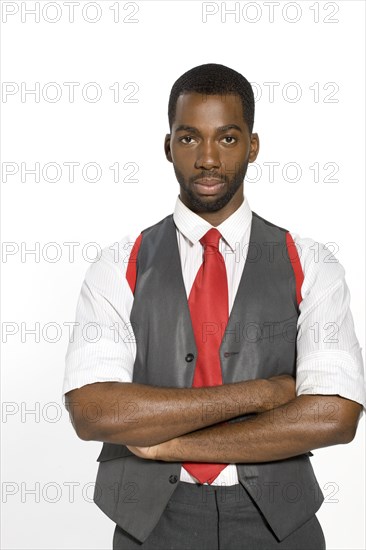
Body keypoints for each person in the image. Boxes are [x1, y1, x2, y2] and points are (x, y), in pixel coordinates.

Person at [62, 63, 366, 550]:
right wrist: (265, 393)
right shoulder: (120, 263)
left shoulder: (309, 262)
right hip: (152, 523)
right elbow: (93, 411)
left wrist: (177, 446)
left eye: (226, 138)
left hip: (277, 522)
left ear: (253, 145)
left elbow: (334, 415)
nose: (207, 158)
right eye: (189, 139)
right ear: (168, 147)